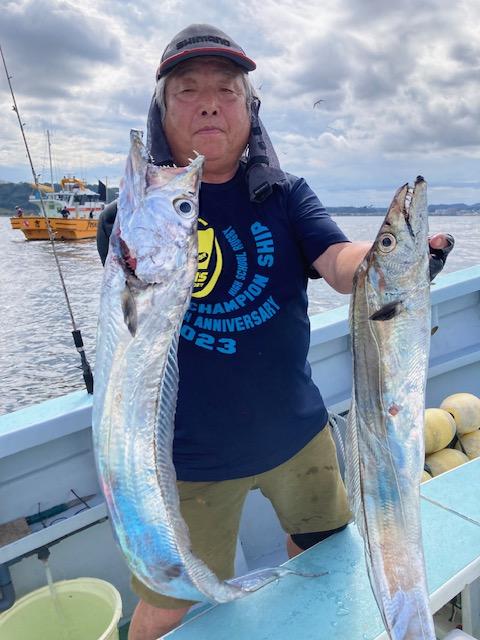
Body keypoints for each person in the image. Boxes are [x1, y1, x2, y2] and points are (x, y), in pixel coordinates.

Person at [96, 24, 454, 640]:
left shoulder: (285, 196)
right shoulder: (136, 216)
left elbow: (339, 261)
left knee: (320, 553)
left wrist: (388, 264)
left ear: (250, 108)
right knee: (165, 605)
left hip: (298, 436)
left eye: (228, 90)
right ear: (161, 111)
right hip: (188, 460)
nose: (210, 103)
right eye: (188, 89)